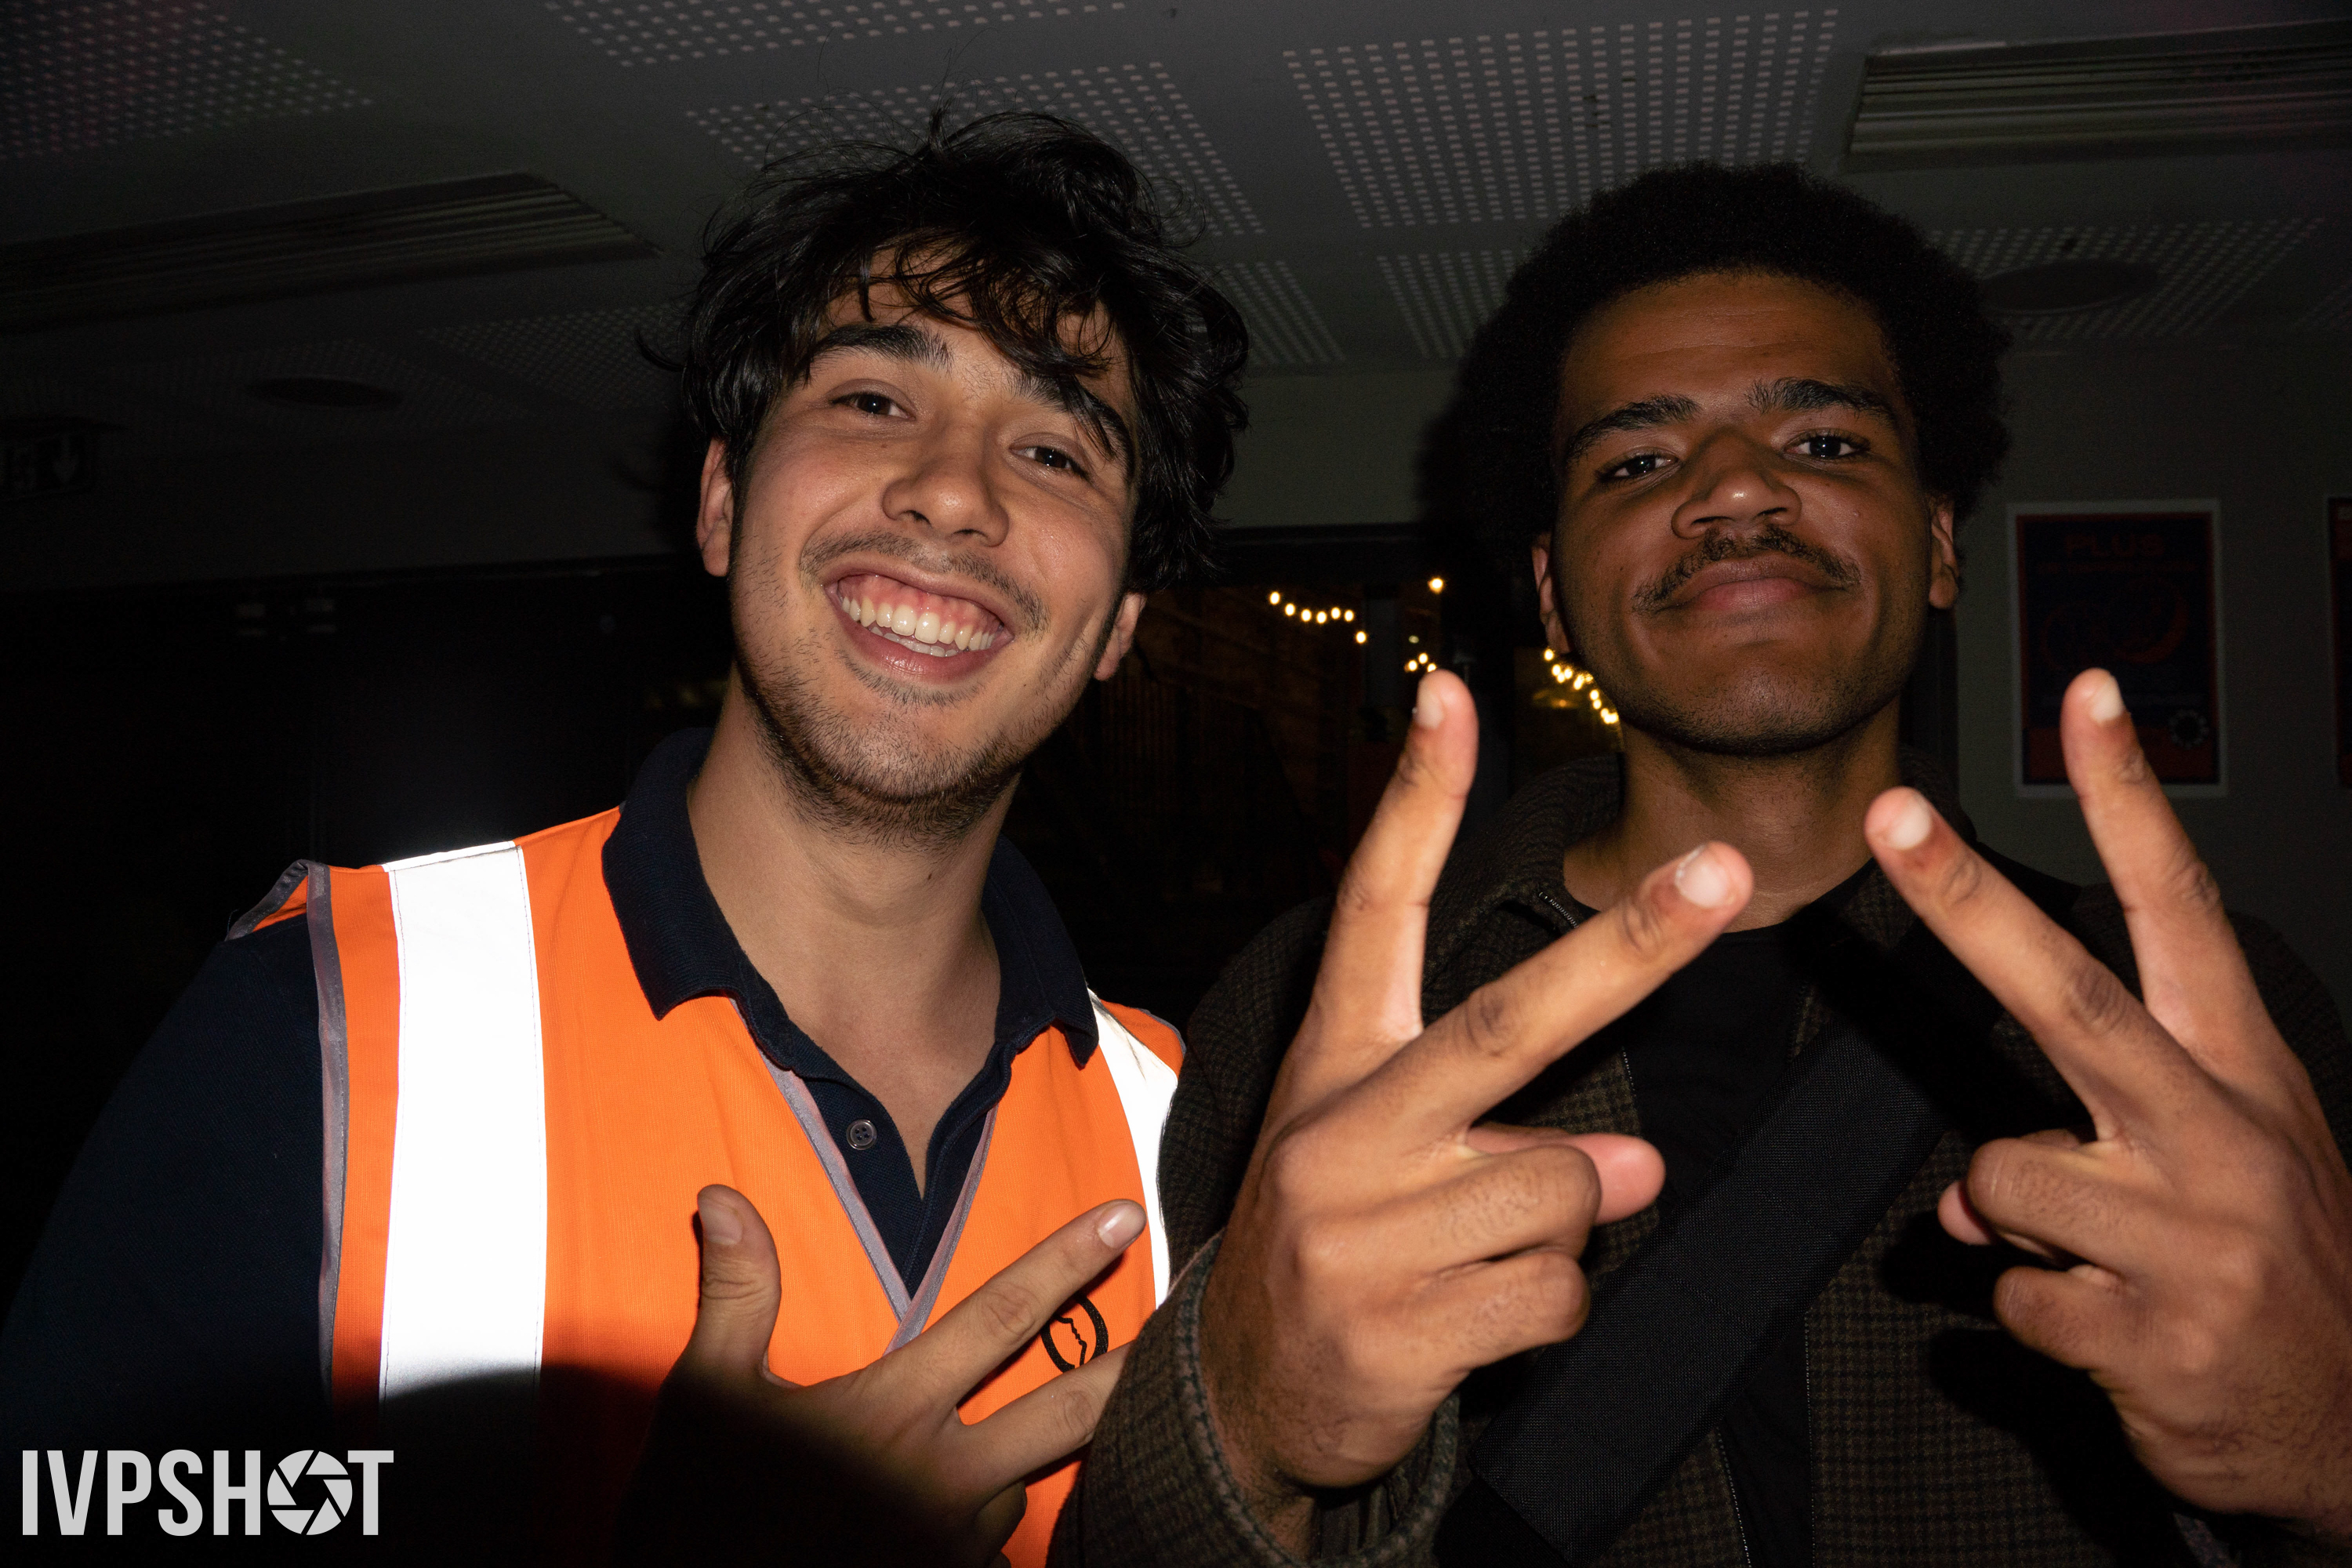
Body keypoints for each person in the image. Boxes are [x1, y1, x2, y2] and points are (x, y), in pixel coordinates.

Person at [1054, 165, 2352, 1566]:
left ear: (1936, 545)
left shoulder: (2207, 1022)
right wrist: (1248, 1435)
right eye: (1637, 463)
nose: (1735, 487)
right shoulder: (1300, 1009)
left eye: (1826, 441)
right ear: (1553, 596)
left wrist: (2332, 1453)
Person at [0, 112, 1246, 1563]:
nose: (955, 492)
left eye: (1053, 449)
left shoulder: (1183, 1135)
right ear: (720, 503)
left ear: (1120, 628)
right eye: (871, 399)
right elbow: (76, 1500)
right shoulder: (337, 1012)